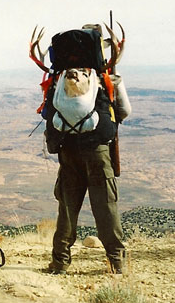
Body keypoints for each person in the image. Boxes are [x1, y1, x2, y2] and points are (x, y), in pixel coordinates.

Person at [42, 24, 131, 275]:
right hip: (97, 151)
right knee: (105, 206)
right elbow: (125, 111)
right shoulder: (104, 77)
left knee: (68, 205)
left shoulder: (61, 76)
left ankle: (60, 261)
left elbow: (48, 111)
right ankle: (117, 261)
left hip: (67, 150)